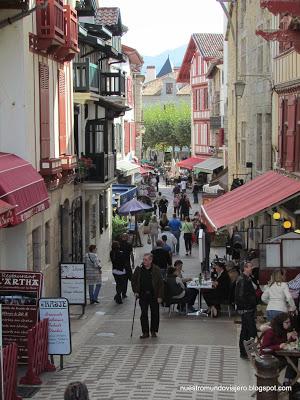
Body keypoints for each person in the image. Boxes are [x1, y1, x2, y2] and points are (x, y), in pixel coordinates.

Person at [131, 253, 164, 338]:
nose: (144, 261)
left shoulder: (156, 269)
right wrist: (135, 291)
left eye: (146, 260)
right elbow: (133, 281)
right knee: (144, 313)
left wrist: (160, 296)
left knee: (155, 313)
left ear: (150, 260)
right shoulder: (139, 269)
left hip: (154, 295)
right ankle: (145, 332)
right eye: (143, 259)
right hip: (142, 295)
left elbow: (161, 284)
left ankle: (153, 331)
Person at [260, 313, 298, 385]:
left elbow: (282, 343)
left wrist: (292, 338)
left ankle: (289, 382)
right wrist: (278, 347)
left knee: (294, 359)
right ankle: (288, 382)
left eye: (289, 322)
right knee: (292, 361)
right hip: (268, 359)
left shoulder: (282, 330)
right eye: (286, 322)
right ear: (280, 322)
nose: (289, 324)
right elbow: (263, 349)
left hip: (275, 355)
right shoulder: (270, 332)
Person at [235, 261, 257, 359]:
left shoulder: (248, 278)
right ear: (245, 268)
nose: (252, 268)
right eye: (250, 267)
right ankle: (249, 351)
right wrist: (248, 305)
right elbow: (240, 296)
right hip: (247, 309)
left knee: (246, 331)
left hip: (248, 309)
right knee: (251, 331)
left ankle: (245, 352)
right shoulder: (242, 279)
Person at [119, 233, 134, 298]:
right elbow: (131, 254)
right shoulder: (129, 245)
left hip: (120, 265)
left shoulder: (118, 244)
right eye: (127, 237)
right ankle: (124, 293)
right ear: (126, 237)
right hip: (127, 264)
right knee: (126, 279)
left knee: (121, 279)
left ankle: (120, 292)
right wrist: (133, 262)